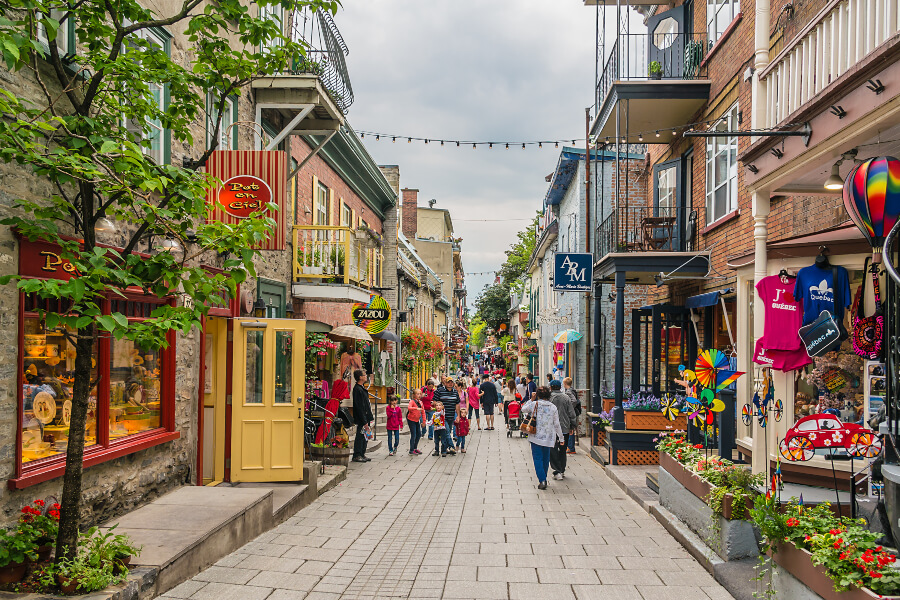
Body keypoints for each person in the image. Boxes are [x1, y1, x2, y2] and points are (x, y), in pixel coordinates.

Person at [522, 387, 564, 489]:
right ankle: (543, 477)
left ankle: (542, 480)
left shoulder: (534, 404)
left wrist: (531, 399)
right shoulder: (553, 407)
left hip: (536, 436)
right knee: (546, 458)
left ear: (538, 395)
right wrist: (561, 438)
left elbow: (523, 409)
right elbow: (557, 424)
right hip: (549, 437)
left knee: (537, 458)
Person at [548, 380, 577, 480]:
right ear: (560, 387)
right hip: (564, 427)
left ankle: (557, 470)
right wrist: (572, 426)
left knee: (553, 449)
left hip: (552, 429)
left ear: (551, 387)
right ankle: (562, 470)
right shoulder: (566, 397)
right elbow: (572, 414)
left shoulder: (549, 398)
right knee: (563, 450)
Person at [351, 370, 373, 463]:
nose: (366, 377)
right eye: (364, 375)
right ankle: (357, 454)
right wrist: (364, 420)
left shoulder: (362, 388)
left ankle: (362, 453)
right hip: (361, 418)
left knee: (365, 436)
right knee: (360, 436)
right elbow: (360, 406)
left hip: (366, 416)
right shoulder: (357, 389)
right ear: (360, 377)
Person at [434, 378, 459, 454]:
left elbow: (457, 404)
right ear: (445, 383)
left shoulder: (455, 392)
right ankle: (451, 447)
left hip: (451, 415)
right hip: (442, 416)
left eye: (451, 382)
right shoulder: (440, 391)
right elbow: (434, 401)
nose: (450, 384)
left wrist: (458, 415)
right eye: (448, 382)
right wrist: (438, 407)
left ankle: (444, 448)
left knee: (446, 432)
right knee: (447, 431)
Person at [563, 377, 580, 455]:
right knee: (571, 428)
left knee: (570, 429)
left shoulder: (569, 392)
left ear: (565, 384)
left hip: (571, 413)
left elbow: (574, 401)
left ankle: (571, 448)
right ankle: (570, 447)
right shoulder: (573, 390)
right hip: (574, 412)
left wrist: (569, 408)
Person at [407, 390, 425, 455]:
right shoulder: (412, 401)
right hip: (411, 420)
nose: (419, 395)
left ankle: (415, 448)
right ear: (414, 395)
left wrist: (424, 421)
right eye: (417, 394)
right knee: (413, 434)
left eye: (420, 394)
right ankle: (411, 450)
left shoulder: (420, 402)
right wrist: (416, 408)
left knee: (419, 434)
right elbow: (409, 408)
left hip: (417, 420)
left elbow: (423, 412)